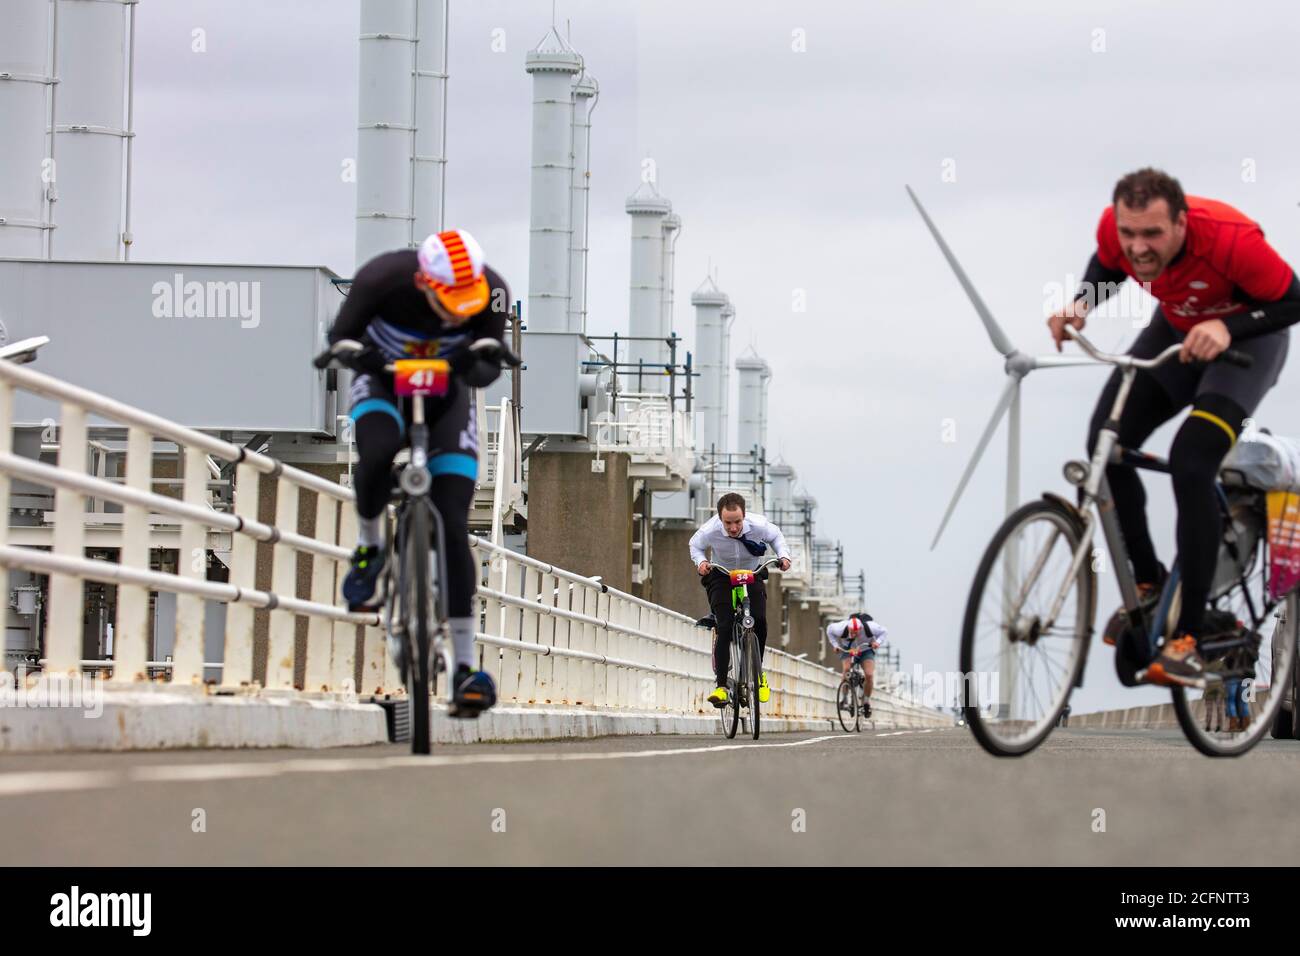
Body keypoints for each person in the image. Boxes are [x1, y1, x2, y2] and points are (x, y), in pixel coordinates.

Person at [1048, 169, 1300, 688]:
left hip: (1246, 344)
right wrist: (1082, 305)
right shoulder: (1116, 231)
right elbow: (1110, 266)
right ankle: (1148, 586)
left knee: (1191, 462)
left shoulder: (1230, 240)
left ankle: (1189, 639)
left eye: (1153, 235)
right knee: (1106, 445)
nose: (1139, 247)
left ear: (1182, 223)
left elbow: (1293, 301)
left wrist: (1226, 325)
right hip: (1178, 331)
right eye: (1129, 233)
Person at [327, 228, 511, 717]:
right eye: (448, 300)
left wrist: (481, 364)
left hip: (447, 398)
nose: (457, 311)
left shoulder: (491, 290)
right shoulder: (381, 279)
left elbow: (490, 357)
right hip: (384, 387)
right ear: (422, 281)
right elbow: (339, 334)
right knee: (374, 456)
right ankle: (369, 552)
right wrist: (353, 351)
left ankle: (466, 668)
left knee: (452, 521)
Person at [690, 493, 791, 708]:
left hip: (751, 572)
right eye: (728, 523)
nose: (733, 528)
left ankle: (758, 671)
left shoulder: (759, 525)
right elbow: (695, 545)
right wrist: (701, 562)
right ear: (720, 518)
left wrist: (784, 556)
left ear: (744, 516)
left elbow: (777, 537)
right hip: (722, 574)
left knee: (760, 621)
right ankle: (721, 686)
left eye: (737, 522)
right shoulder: (710, 530)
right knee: (725, 625)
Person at [825, 613, 889, 715]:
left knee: (869, 674)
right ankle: (844, 698)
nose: (853, 634)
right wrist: (835, 645)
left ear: (861, 628)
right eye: (851, 632)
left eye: (856, 632)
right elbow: (829, 630)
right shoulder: (841, 628)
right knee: (846, 670)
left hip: (865, 649)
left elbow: (884, 631)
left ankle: (866, 701)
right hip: (849, 649)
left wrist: (877, 642)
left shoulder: (870, 627)